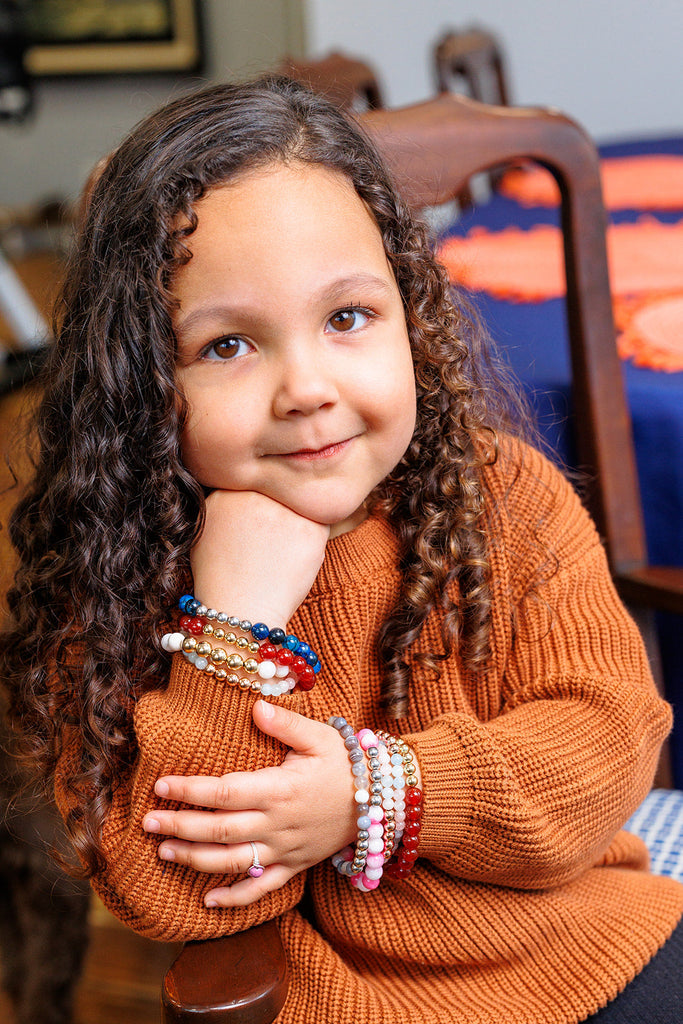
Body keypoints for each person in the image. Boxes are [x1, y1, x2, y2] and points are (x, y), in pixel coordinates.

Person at [1, 76, 682, 1024]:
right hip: (347, 1003)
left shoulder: (504, 495)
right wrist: (229, 627)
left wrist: (376, 797)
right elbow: (172, 896)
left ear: (410, 316)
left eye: (347, 317)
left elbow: (608, 746)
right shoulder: (120, 579)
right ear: (142, 382)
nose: (306, 388)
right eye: (230, 345)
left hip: (592, 943)